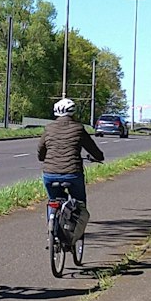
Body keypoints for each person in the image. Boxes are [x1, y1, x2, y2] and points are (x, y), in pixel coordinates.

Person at [37, 97, 104, 239]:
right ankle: (76, 234)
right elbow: (93, 149)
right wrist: (98, 157)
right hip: (73, 174)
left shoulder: (48, 129)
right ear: (73, 112)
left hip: (50, 173)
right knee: (79, 203)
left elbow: (40, 151)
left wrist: (44, 159)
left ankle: (52, 230)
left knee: (53, 200)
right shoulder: (79, 128)